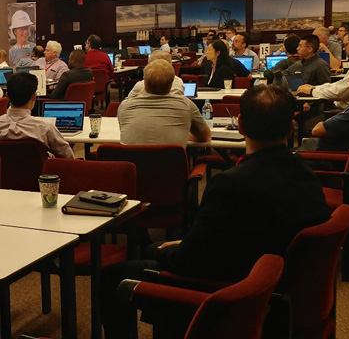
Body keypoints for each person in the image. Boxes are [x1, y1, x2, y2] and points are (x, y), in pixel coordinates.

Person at [100, 84, 331, 339]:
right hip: (279, 284)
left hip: (232, 288)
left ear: (240, 126)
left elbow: (190, 261)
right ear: (290, 128)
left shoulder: (230, 183)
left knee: (114, 275)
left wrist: (163, 250)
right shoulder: (305, 173)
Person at [0, 72, 74, 159]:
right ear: (34, 96)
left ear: (7, 96)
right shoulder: (45, 128)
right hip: (37, 177)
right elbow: (68, 156)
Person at [117, 60, 210, 147]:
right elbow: (205, 137)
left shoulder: (125, 106)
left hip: (133, 159)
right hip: (172, 159)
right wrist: (184, 136)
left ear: (144, 82)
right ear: (172, 83)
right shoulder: (186, 105)